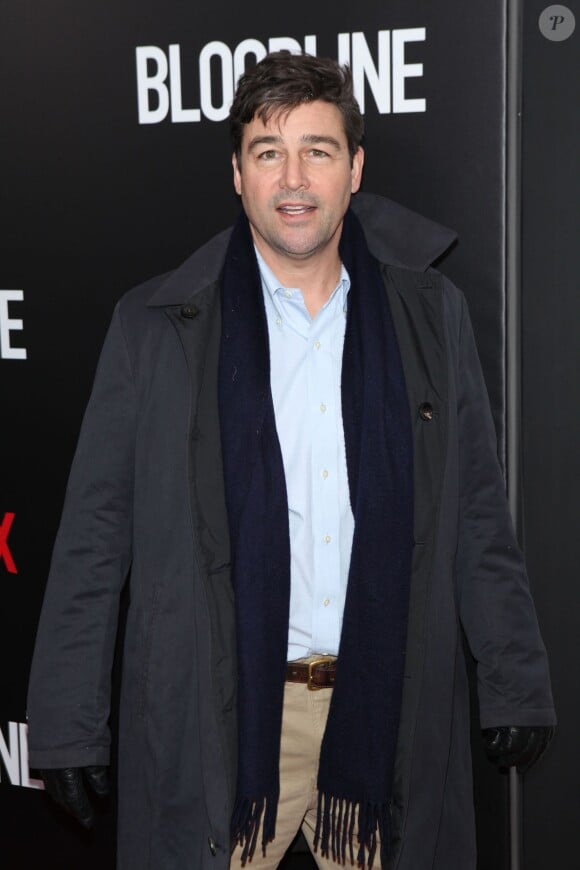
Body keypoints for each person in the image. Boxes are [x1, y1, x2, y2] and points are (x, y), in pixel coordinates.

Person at [26, 51, 556, 870]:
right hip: (226, 715)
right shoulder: (158, 328)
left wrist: (515, 676)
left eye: (319, 149)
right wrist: (65, 720)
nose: (294, 177)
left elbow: (479, 512)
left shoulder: (427, 313)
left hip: (386, 709)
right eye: (269, 152)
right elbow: (95, 538)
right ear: (238, 174)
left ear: (355, 168)